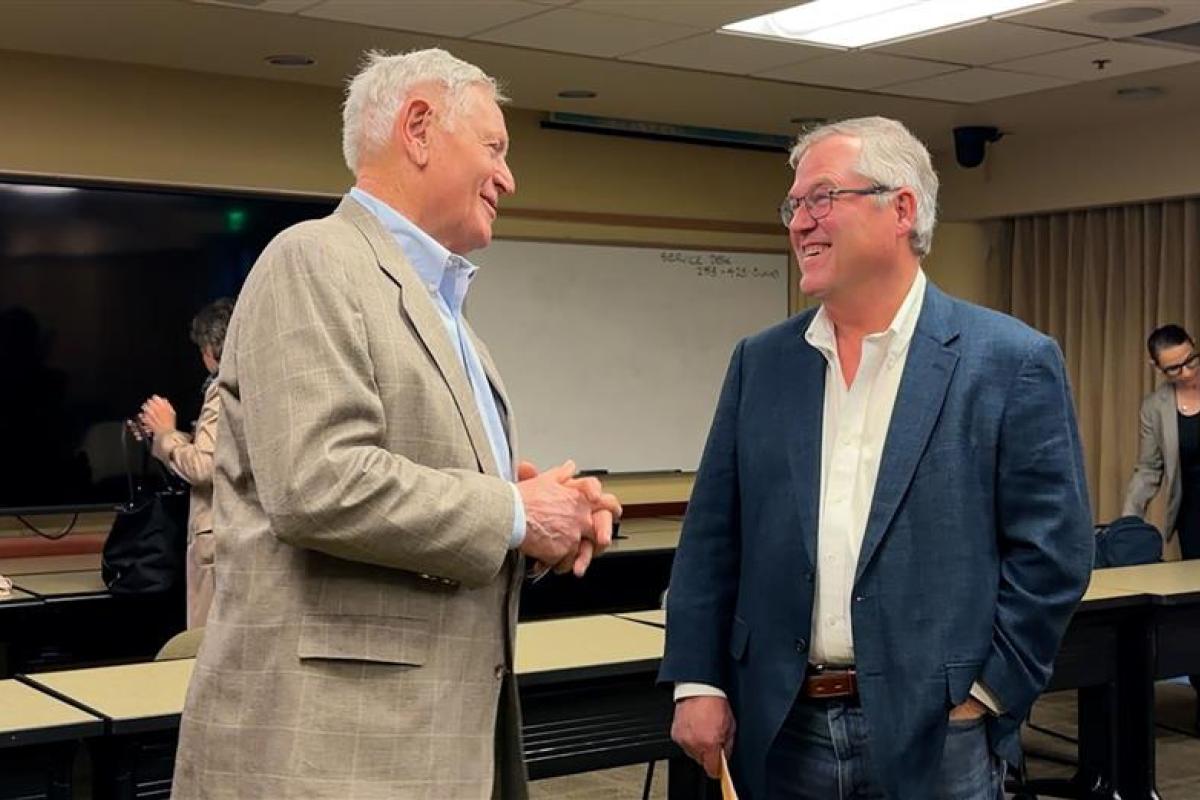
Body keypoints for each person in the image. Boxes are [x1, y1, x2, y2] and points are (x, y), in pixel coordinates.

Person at [171, 48, 619, 799]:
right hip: (336, 755)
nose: (508, 177)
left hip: (431, 741)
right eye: (495, 148)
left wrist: (544, 516)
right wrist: (512, 511)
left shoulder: (449, 316)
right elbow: (320, 481)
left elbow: (415, 494)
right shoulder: (312, 258)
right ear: (417, 128)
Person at [660, 117, 1094, 800]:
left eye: (822, 198)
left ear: (902, 208)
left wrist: (983, 694)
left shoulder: (1009, 362)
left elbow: (1053, 554)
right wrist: (698, 680)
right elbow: (712, 536)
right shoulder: (762, 363)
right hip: (779, 725)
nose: (800, 223)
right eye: (794, 205)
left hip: (938, 733)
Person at [135, 297, 233, 630]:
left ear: (209, 348)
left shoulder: (225, 389)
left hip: (217, 543)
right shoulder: (262, 383)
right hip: (236, 540)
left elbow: (205, 467)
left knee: (202, 651)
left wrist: (165, 433)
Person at [1123, 324, 1200, 556]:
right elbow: (1148, 469)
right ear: (1157, 367)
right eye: (1174, 369)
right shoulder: (1154, 408)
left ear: (1194, 344)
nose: (1186, 373)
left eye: (1191, 361)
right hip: (1193, 517)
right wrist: (1128, 521)